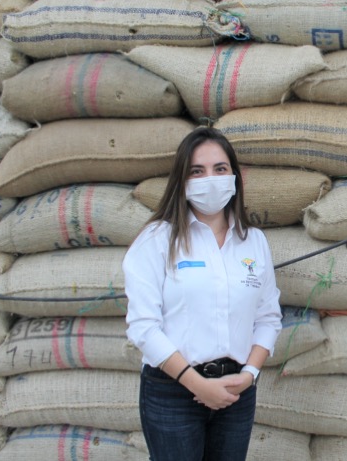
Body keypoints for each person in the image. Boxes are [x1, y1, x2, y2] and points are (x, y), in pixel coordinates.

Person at [124, 126, 282, 461]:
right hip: (174, 394)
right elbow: (144, 327)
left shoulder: (253, 241)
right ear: (182, 181)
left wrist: (249, 375)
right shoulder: (157, 240)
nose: (210, 178)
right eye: (198, 171)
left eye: (220, 169)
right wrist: (197, 384)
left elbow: (268, 317)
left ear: (234, 177)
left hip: (237, 391)